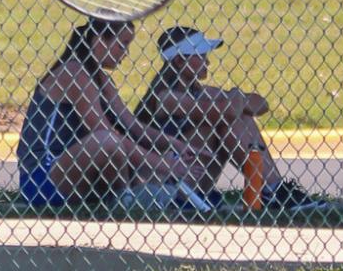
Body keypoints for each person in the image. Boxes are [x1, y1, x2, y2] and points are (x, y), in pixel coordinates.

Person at [17, 16, 214, 213]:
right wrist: (164, 165)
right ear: (100, 40)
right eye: (122, 44)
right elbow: (105, 134)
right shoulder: (74, 72)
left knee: (126, 145)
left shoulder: (102, 79)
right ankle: (126, 200)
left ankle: (140, 195)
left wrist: (176, 145)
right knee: (108, 141)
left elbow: (134, 126)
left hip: (79, 173)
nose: (126, 52)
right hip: (43, 176)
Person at [134, 26, 317, 211]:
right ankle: (272, 189)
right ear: (181, 61)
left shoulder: (199, 91)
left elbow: (261, 104)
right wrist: (236, 96)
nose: (208, 61)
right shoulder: (166, 97)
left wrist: (233, 101)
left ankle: (273, 188)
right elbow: (226, 111)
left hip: (189, 178)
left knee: (238, 117)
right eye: (201, 55)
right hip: (160, 186)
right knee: (222, 120)